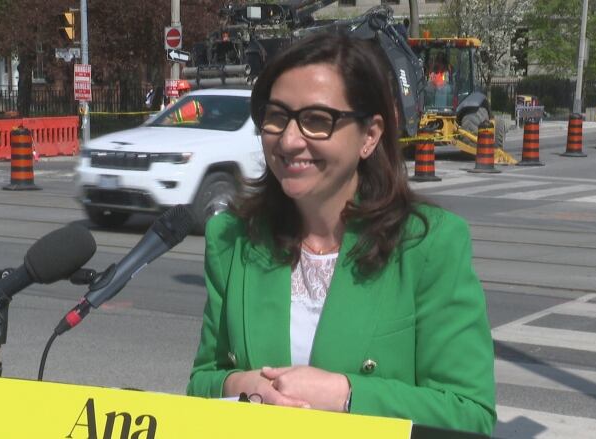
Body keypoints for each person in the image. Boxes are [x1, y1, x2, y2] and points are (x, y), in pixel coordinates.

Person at [187, 32, 496, 435]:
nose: (289, 140)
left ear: (369, 136)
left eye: (317, 121)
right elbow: (199, 385)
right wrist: (238, 386)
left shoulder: (429, 244)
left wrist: (346, 396)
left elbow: (469, 415)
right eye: (277, 116)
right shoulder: (232, 237)